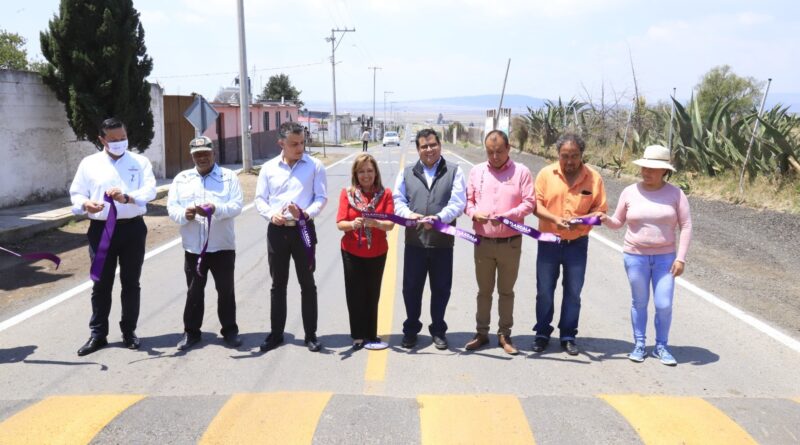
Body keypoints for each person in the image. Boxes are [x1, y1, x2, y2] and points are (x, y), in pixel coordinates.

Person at [69, 117, 156, 356]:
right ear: (102, 140)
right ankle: (98, 334)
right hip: (101, 231)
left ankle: (129, 331)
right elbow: (76, 194)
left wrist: (128, 197)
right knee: (101, 284)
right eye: (114, 139)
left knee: (131, 283)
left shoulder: (140, 162)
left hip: (132, 229)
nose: (119, 142)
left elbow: (150, 190)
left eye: (123, 138)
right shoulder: (89, 164)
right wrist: (85, 204)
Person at [600, 145, 692, 365]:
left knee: (664, 304)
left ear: (664, 171)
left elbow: (686, 226)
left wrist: (680, 258)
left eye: (652, 168)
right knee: (639, 302)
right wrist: (604, 219)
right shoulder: (629, 192)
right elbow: (618, 222)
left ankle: (661, 346)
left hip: (665, 259)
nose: (646, 172)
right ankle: (639, 344)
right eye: (644, 167)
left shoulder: (676, 194)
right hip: (635, 257)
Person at [255, 122, 328, 352]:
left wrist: (305, 214)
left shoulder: (315, 166)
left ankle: (311, 335)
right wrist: (271, 214)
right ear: (281, 144)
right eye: (294, 144)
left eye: (302, 143)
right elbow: (260, 199)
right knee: (278, 284)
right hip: (277, 231)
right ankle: (276, 334)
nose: (300, 148)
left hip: (303, 230)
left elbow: (321, 197)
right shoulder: (268, 168)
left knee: (307, 283)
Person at [532, 133, 607, 355]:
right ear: (558, 155)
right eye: (565, 156)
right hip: (548, 242)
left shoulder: (594, 178)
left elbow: (600, 211)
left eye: (574, 155)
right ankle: (542, 333)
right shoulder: (546, 174)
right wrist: (555, 219)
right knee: (545, 291)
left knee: (573, 292)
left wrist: (581, 221)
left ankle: (568, 335)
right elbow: (535, 205)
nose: (570, 161)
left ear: (582, 155)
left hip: (577, 244)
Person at [167, 136, 244, 351]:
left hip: (222, 247)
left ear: (213, 153)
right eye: (197, 155)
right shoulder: (182, 179)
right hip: (194, 248)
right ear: (192, 156)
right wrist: (185, 214)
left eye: (206, 154)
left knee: (226, 291)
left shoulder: (228, 177)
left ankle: (230, 331)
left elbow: (237, 205)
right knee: (194, 292)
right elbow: (172, 208)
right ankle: (191, 333)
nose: (202, 158)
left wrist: (215, 209)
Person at [393, 128, 466, 350]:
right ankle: (411, 329)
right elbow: (398, 200)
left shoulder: (454, 171)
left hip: (442, 243)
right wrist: (409, 215)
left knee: (441, 289)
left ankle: (438, 330)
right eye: (424, 146)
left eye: (433, 145)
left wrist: (439, 218)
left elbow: (458, 202)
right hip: (415, 242)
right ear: (418, 149)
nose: (429, 149)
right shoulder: (407, 172)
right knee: (411, 289)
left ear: (440, 145)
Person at [463, 130, 535, 355]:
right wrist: (474, 213)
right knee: (484, 291)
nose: (494, 157)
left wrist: (508, 216)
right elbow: (468, 201)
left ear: (508, 149)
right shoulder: (477, 171)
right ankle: (481, 333)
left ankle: (504, 334)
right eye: (490, 152)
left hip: (510, 243)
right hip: (483, 242)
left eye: (499, 152)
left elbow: (529, 202)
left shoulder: (521, 172)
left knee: (506, 291)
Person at [335, 154, 395, 349]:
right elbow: (340, 223)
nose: (366, 175)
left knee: (372, 293)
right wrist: (353, 224)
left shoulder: (385, 194)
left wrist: (376, 223)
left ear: (376, 172)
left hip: (377, 252)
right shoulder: (347, 194)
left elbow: (390, 224)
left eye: (369, 170)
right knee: (355, 294)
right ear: (355, 174)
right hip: (351, 251)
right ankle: (358, 335)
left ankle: (371, 334)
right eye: (361, 171)